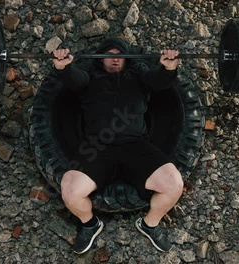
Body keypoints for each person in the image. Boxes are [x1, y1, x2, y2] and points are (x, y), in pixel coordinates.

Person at [52, 37, 183, 254]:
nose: (115, 60)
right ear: (101, 58)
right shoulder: (90, 77)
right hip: (98, 147)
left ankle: (149, 224)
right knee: (70, 189)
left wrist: (168, 69)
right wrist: (63, 68)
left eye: (119, 55)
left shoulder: (139, 74)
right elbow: (74, 79)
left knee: (174, 184)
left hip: (136, 146)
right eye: (110, 55)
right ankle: (90, 224)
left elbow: (158, 81)